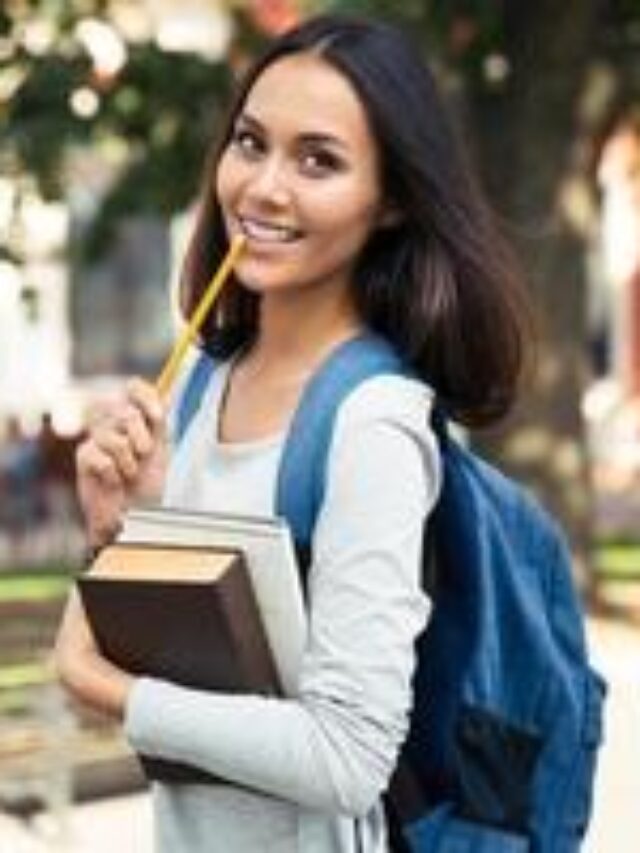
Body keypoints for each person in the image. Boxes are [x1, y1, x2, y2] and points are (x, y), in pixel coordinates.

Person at [53, 13, 532, 853]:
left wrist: (117, 692)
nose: (264, 187)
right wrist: (115, 530)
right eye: (250, 142)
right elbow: (130, 688)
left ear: (389, 203)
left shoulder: (372, 423)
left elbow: (348, 756)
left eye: (320, 160)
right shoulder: (201, 382)